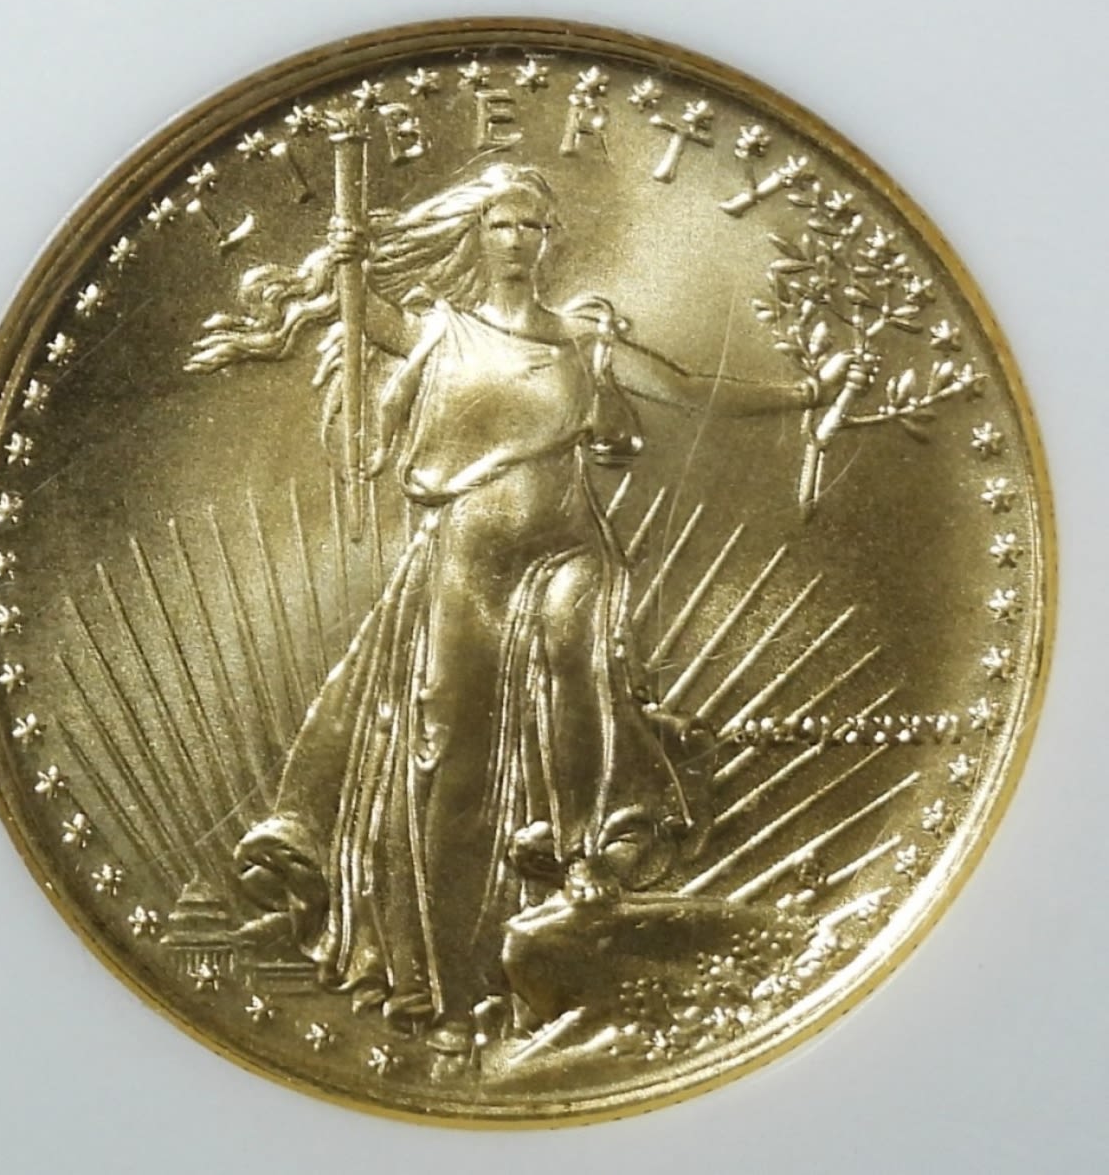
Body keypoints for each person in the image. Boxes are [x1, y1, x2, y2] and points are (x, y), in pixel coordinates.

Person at [189, 163, 856, 1046]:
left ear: (550, 242)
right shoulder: (441, 329)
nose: (518, 240)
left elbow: (693, 390)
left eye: (533, 226)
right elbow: (366, 317)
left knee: (579, 652)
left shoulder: (584, 340)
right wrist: (345, 257)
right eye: (502, 224)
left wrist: (807, 393)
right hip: (465, 563)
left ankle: (581, 850)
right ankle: (447, 985)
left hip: (566, 548)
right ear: (477, 235)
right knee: (446, 754)